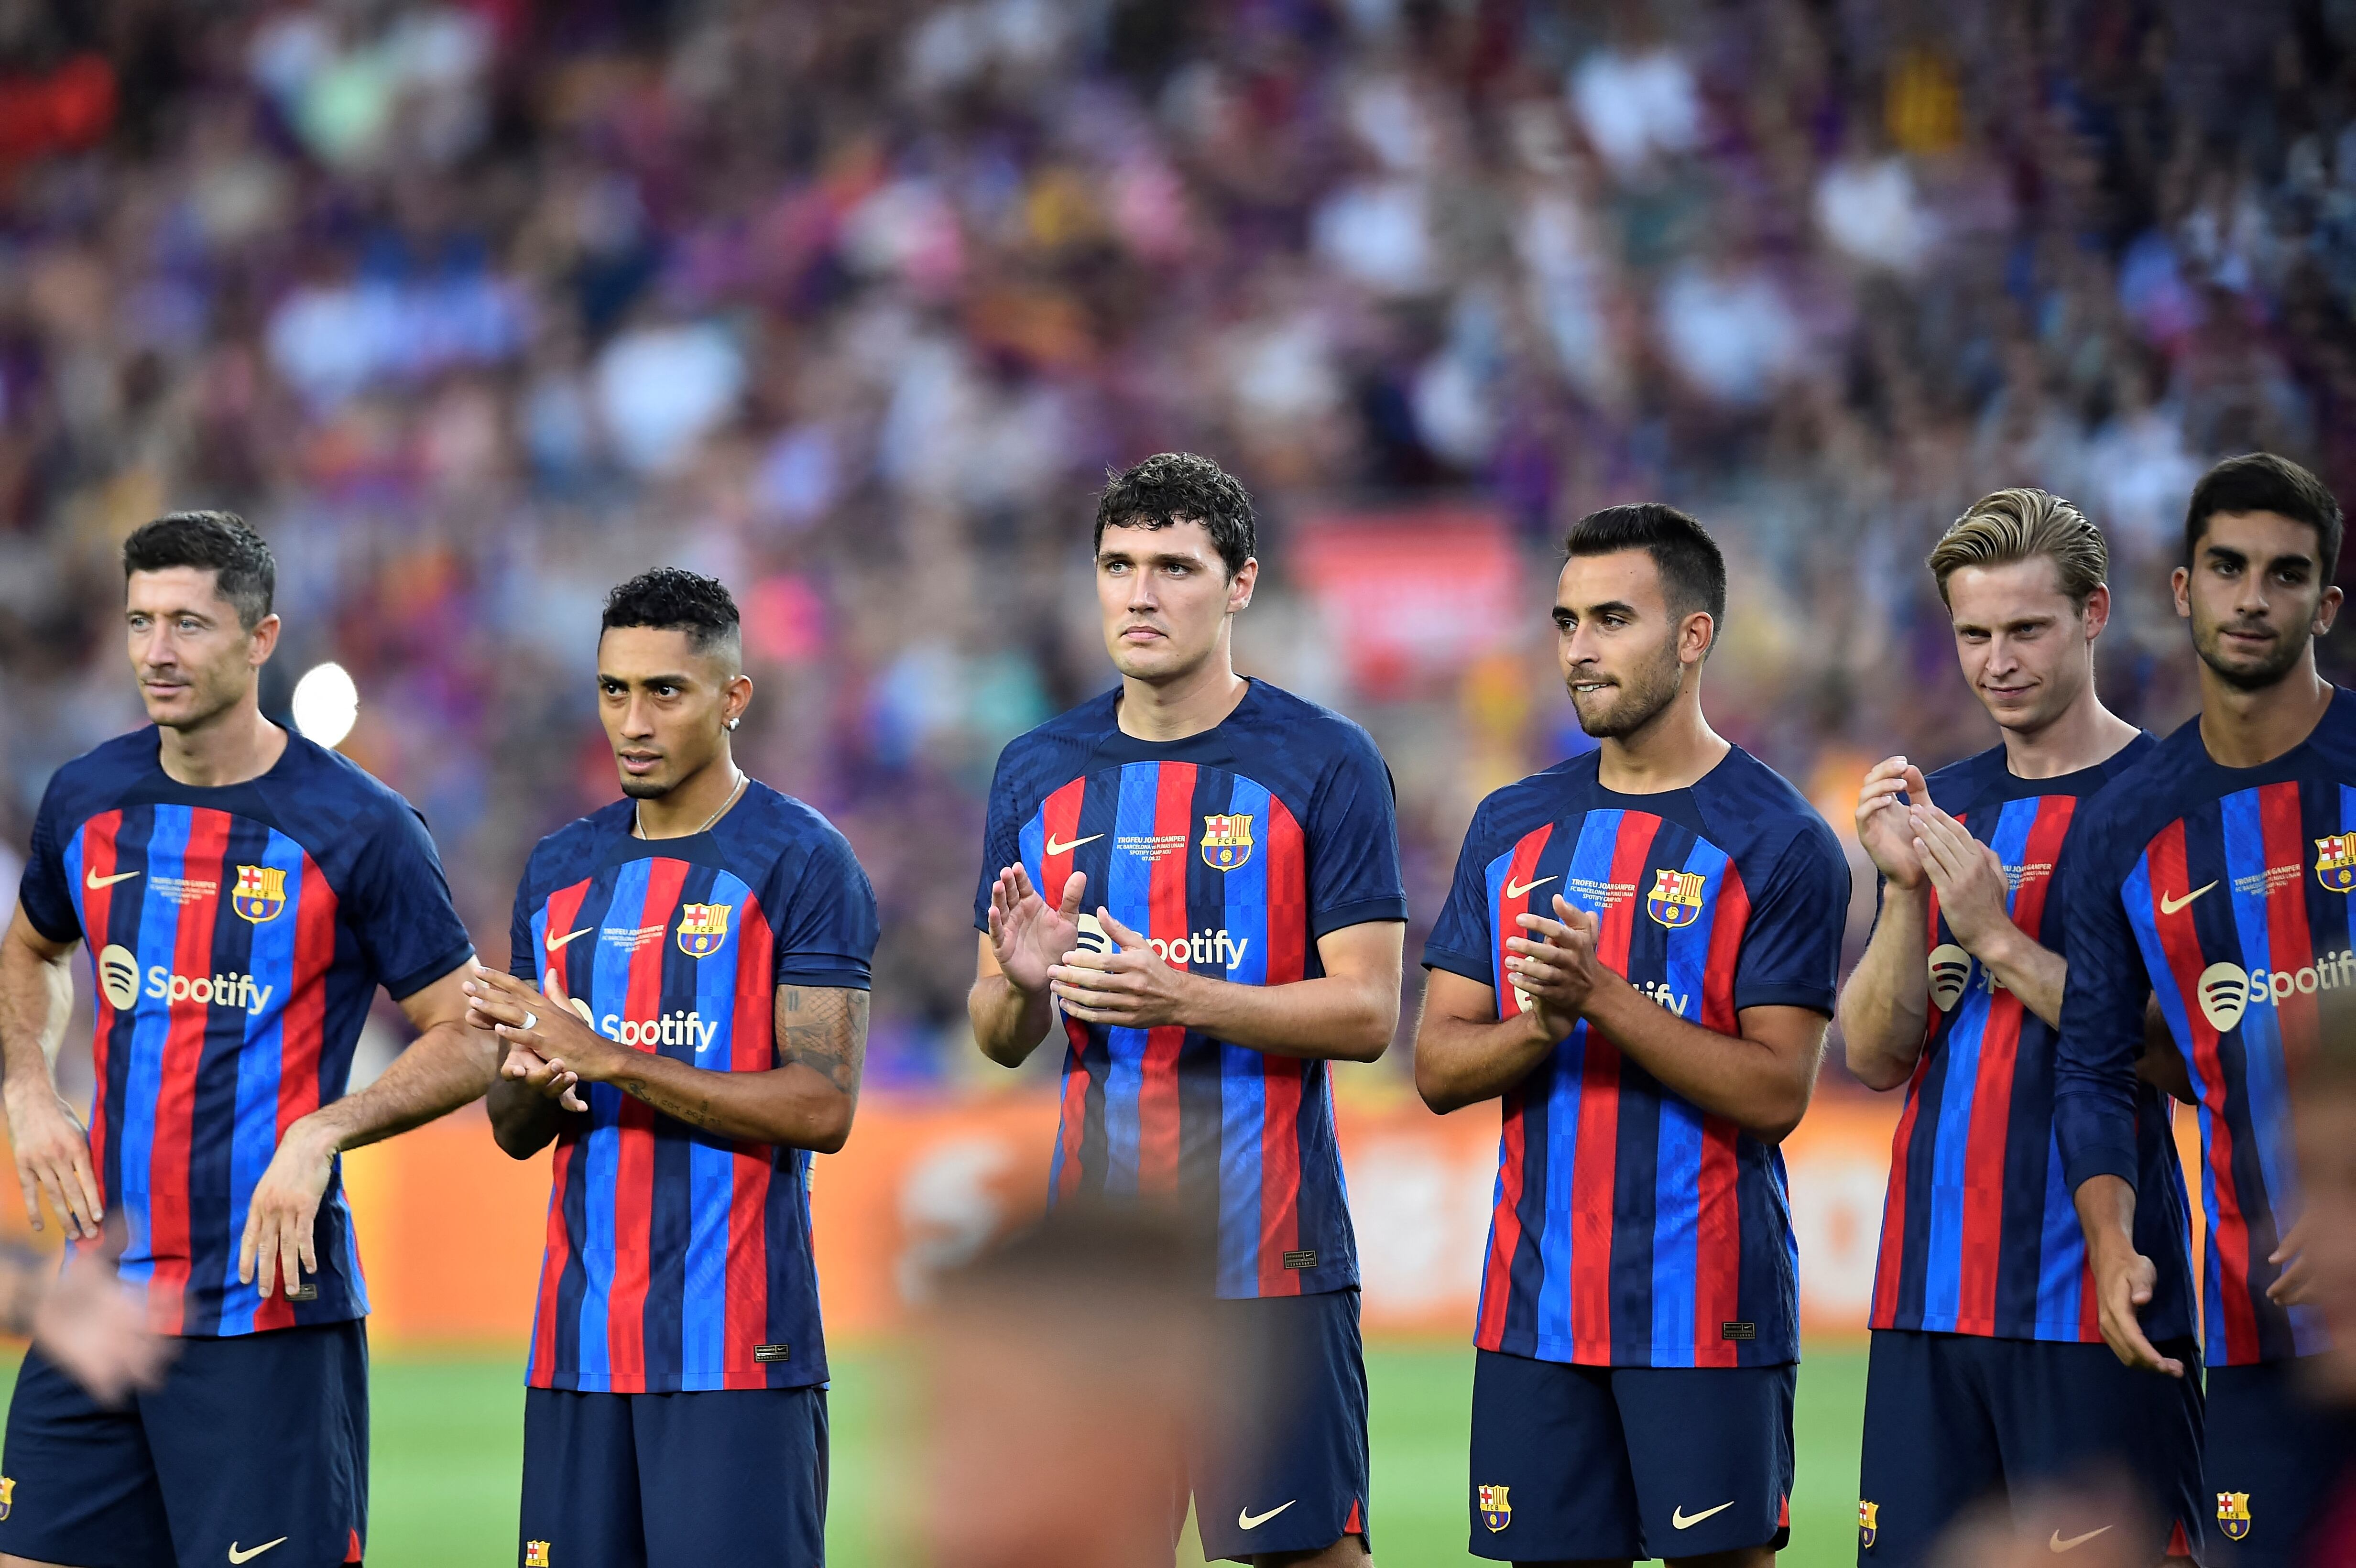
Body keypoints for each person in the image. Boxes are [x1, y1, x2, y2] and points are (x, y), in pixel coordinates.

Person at [0, 510, 495, 1567]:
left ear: (261, 639)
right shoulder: (86, 797)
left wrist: (324, 1130)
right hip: (99, 1301)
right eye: (140, 622)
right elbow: (31, 950)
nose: (157, 652)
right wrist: (29, 1086)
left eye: (188, 622)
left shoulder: (361, 825)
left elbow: (472, 1032)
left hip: (267, 1314)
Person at [968, 452, 1407, 1568]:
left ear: (1241, 583)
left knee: (1304, 1556)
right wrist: (1019, 984)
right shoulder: (1036, 770)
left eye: (1174, 565)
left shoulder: (1327, 761)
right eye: (1117, 564)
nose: (1140, 592)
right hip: (1098, 1274)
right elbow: (997, 1029)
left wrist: (1186, 995)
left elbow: (1366, 1012)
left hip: (1273, 1256)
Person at [1414, 502, 1849, 1568]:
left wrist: (1604, 997)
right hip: (1534, 1309)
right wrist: (1539, 1025)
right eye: (1566, 621)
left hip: (1706, 1308)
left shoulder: (1781, 838)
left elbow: (1775, 1092)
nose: (1580, 648)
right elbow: (1435, 1065)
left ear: (1693, 637)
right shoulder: (1511, 821)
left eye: (1612, 618)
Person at [470, 567, 877, 1568]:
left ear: (734, 697)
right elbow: (515, 1129)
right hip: (576, 1349)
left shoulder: (802, 861)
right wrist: (524, 1084)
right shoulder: (559, 870)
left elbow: (824, 1106)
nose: (633, 720)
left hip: (740, 1351)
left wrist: (609, 1055)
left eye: (666, 690)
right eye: (614, 689)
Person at [1837, 490, 2202, 1564]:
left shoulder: (2170, 795)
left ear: (2093, 614)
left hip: (2090, 1297)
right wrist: (1903, 896)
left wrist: (1998, 938)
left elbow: (2190, 1052)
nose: (1996, 660)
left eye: (2025, 629)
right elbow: (1871, 1053)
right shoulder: (1940, 804)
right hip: (1926, 1296)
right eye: (1973, 633)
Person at [2057, 452, 2356, 1566]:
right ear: (2182, 587)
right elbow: (2090, 1062)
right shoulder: (2126, 821)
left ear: (2323, 603)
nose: (2250, 596)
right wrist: (2107, 1238)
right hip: (2248, 1326)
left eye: (2285, 575)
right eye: (2226, 566)